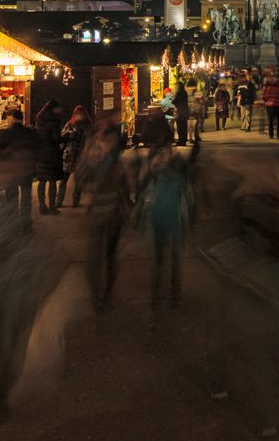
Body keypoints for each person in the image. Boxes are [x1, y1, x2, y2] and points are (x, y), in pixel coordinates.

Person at [133, 117, 194, 306]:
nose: (165, 154)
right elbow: (140, 192)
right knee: (159, 258)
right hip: (157, 218)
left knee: (176, 258)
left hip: (175, 219)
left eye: (168, 149)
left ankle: (175, 293)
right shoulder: (153, 168)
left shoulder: (179, 166)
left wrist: (190, 219)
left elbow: (188, 193)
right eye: (162, 151)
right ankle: (157, 292)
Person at [77, 122, 131, 309]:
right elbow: (80, 178)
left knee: (110, 256)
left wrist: (128, 207)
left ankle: (107, 293)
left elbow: (125, 186)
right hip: (95, 216)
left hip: (114, 216)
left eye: (110, 142)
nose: (107, 146)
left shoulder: (116, 162)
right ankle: (96, 297)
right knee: (94, 258)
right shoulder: (91, 158)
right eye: (104, 141)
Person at [0, 109, 40, 230]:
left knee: (11, 198)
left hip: (10, 170)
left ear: (11, 117)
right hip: (26, 169)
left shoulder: (5, 133)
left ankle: (13, 224)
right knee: (26, 197)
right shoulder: (30, 132)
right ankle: (26, 224)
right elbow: (36, 149)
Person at [33, 100, 66, 214]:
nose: (60, 110)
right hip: (52, 154)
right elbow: (56, 139)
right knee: (52, 181)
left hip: (41, 153)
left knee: (42, 180)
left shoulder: (39, 120)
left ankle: (42, 206)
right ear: (54, 109)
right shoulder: (54, 122)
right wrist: (67, 137)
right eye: (58, 108)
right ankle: (52, 207)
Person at [58, 106, 91, 208]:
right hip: (69, 154)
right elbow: (62, 136)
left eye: (80, 114)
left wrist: (74, 134)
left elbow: (89, 138)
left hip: (81, 155)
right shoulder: (70, 124)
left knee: (78, 180)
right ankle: (59, 201)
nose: (79, 116)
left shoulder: (87, 125)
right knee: (64, 179)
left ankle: (75, 202)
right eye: (77, 114)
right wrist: (68, 134)